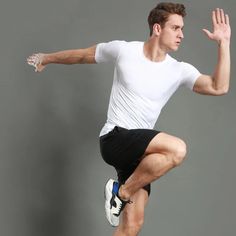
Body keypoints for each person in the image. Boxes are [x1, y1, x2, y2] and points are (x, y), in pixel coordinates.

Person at [27, 2, 231, 235]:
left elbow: (219, 87)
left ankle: (120, 193)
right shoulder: (124, 50)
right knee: (177, 149)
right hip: (115, 137)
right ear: (157, 29)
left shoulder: (179, 70)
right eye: (175, 28)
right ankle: (121, 193)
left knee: (132, 226)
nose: (181, 35)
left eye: (182, 29)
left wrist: (223, 43)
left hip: (140, 156)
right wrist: (47, 58)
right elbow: (82, 55)